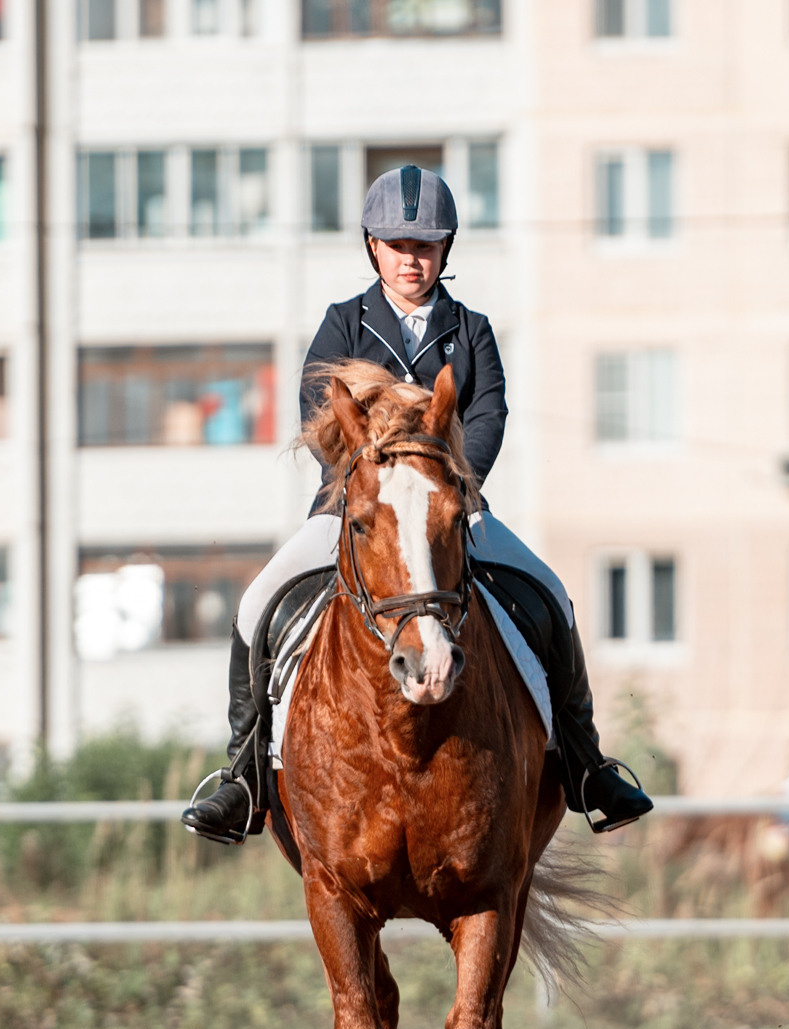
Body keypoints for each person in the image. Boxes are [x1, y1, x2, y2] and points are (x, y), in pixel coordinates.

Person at [181, 165, 654, 844]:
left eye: (426, 246)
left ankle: (584, 766)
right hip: (357, 511)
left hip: (446, 510)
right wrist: (368, 478)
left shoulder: (472, 330)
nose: (412, 258)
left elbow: (488, 412)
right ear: (373, 246)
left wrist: (449, 482)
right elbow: (318, 409)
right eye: (398, 245)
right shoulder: (344, 324)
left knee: (552, 595)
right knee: (258, 602)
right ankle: (245, 776)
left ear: (446, 250)